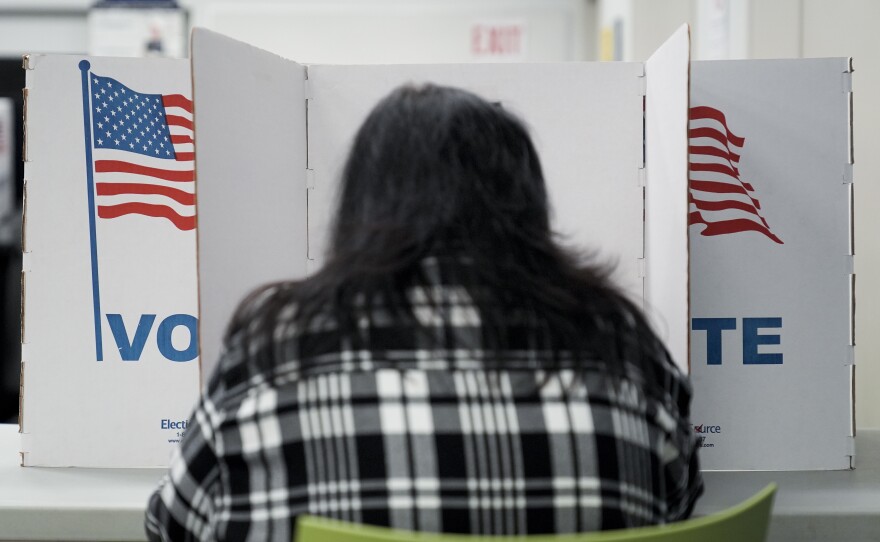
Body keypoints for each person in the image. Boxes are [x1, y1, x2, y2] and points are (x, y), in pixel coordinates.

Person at [145, 84, 702, 541]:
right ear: (527, 204)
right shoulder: (621, 345)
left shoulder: (275, 346)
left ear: (360, 204)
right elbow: (676, 503)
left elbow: (173, 525)